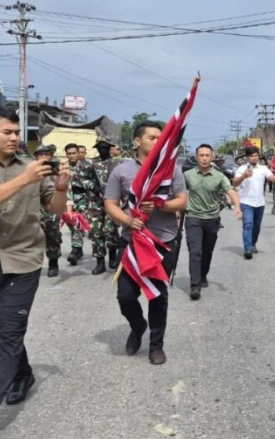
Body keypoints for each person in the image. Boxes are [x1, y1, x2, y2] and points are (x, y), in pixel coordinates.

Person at [0, 107, 70, 438]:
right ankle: (24, 372)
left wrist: (59, 188)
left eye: (17, 132)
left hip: (24, 260)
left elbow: (53, 209)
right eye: (7, 132)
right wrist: (24, 179)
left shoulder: (32, 168)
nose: (15, 138)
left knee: (10, 333)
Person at [104, 121, 188, 366]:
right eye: (152, 137)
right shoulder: (121, 171)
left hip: (162, 242)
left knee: (158, 297)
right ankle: (138, 325)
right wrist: (128, 220)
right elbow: (110, 204)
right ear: (138, 141)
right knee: (126, 296)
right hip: (131, 243)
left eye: (160, 138)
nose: (158, 141)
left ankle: (156, 345)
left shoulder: (171, 171)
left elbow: (182, 202)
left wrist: (162, 205)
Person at [184, 144, 241, 301]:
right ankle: (195, 286)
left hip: (212, 219)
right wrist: (175, 214)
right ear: (197, 158)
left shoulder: (219, 176)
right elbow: (179, 194)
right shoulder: (188, 175)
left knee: (207, 252)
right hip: (193, 217)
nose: (204, 158)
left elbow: (231, 191)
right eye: (201, 155)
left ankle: (203, 275)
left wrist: (237, 207)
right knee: (195, 252)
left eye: (207, 155)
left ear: (212, 157)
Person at [232, 147, 275, 260]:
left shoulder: (263, 168)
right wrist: (244, 176)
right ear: (247, 157)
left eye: (256, 156)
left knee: (256, 227)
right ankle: (247, 248)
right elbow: (234, 183)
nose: (254, 158)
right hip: (246, 202)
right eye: (252, 156)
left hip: (259, 202)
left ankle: (253, 244)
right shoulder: (242, 169)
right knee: (248, 224)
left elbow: (270, 177)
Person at [89, 139, 121, 275]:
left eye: (104, 147)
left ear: (109, 148)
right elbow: (79, 178)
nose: (102, 150)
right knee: (96, 232)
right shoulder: (91, 163)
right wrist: (94, 187)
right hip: (95, 202)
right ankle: (100, 262)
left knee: (110, 229)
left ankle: (113, 257)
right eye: (99, 148)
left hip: (112, 201)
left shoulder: (116, 163)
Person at [35, 144, 63, 278]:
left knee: (53, 237)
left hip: (51, 210)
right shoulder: (31, 170)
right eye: (41, 154)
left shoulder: (57, 170)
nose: (44, 157)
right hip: (34, 210)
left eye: (47, 154)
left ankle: (53, 264)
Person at [66, 143, 91, 265]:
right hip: (67, 201)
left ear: (78, 153)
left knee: (78, 224)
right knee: (71, 225)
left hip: (82, 199)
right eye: (69, 154)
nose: (71, 156)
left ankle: (75, 250)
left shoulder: (87, 166)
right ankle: (78, 248)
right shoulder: (63, 167)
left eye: (73, 153)